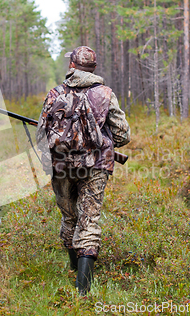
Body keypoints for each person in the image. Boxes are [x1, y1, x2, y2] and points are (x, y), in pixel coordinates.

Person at [36, 46, 130, 295]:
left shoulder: (55, 93)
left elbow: (40, 135)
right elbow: (123, 135)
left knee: (69, 217)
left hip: (61, 166)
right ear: (93, 68)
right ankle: (83, 289)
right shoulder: (106, 94)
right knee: (89, 219)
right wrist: (102, 136)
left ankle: (73, 268)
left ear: (73, 66)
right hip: (95, 167)